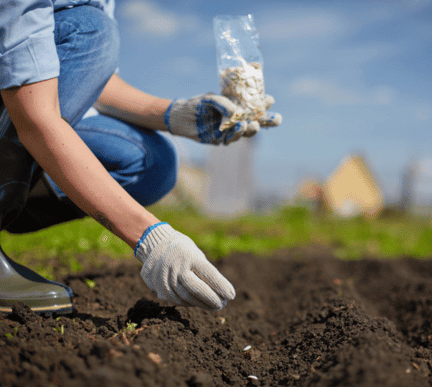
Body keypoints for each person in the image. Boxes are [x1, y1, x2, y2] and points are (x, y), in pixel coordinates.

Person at [0, 1, 281, 315]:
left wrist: (176, 115)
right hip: (26, 108)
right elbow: (34, 116)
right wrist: (151, 237)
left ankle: (13, 199)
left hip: (30, 104)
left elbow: (90, 73)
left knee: (153, 163)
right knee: (90, 29)